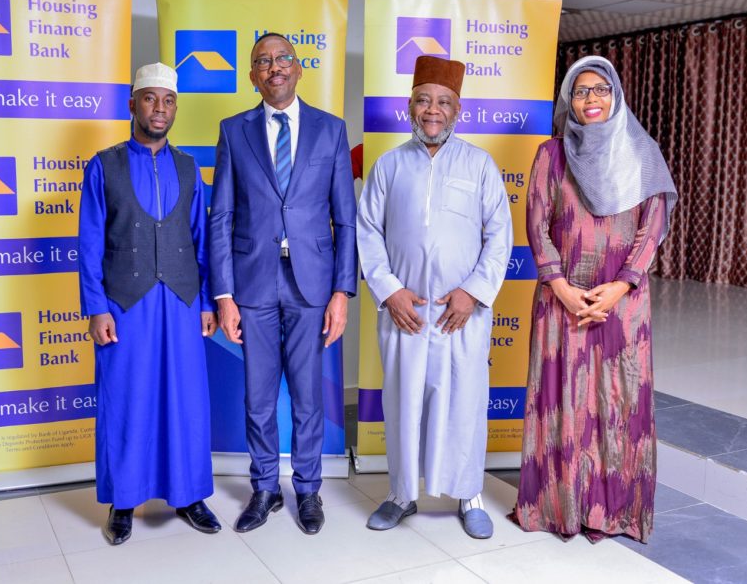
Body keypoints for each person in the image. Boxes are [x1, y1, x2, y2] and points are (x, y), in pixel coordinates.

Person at [511, 55, 678, 543]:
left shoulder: (642, 153)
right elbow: (537, 222)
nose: (591, 99)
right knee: (562, 397)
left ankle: (613, 509)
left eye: (600, 90)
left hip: (621, 302)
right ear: (569, 100)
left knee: (616, 400)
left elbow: (654, 226)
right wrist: (561, 287)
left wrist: (622, 283)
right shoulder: (552, 154)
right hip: (562, 296)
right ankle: (560, 504)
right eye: (581, 92)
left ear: (616, 96)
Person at [356, 56, 513, 539]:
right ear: (410, 106)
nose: (432, 110)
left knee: (464, 401)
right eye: (423, 100)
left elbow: (499, 237)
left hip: (460, 315)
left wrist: (473, 293)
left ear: (457, 110)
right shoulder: (388, 165)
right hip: (405, 314)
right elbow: (368, 233)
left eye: (443, 102)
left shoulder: (479, 164)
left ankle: (469, 494)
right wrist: (390, 291)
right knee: (402, 403)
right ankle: (401, 494)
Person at [208, 33, 357, 535]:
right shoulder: (234, 131)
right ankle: (265, 488)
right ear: (252, 75)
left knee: (309, 396)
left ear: (298, 68)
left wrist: (342, 292)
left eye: (282, 59)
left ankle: (309, 490)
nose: (274, 67)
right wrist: (223, 294)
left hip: (312, 286)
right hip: (252, 285)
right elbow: (221, 216)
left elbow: (346, 219)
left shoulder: (330, 131)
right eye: (263, 61)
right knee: (258, 396)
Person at [78, 62, 221, 545]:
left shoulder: (188, 168)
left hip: (181, 302)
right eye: (150, 99)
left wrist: (205, 301)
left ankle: (190, 495)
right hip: (125, 305)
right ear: (132, 104)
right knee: (127, 399)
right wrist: (97, 307)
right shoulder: (104, 166)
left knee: (185, 401)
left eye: (168, 100)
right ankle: (123, 501)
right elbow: (90, 243)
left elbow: (200, 240)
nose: (160, 109)